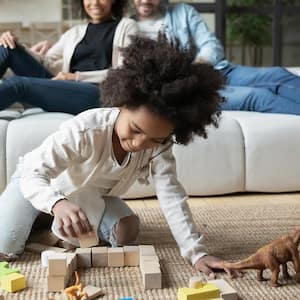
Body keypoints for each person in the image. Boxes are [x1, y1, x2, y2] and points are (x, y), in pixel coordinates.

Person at [0, 34, 241, 279]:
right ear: (122, 103)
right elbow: (34, 173)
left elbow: (172, 197)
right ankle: (41, 217)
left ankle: (48, 226)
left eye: (154, 139)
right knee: (5, 249)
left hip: (89, 195)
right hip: (37, 183)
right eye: (135, 129)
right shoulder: (86, 128)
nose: (139, 143)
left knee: (127, 233)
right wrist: (57, 203)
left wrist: (196, 252)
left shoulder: (160, 146)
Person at [133, 0, 300, 115]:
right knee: (258, 95)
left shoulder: (183, 12)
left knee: (278, 75)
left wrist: (198, 66)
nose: (146, 0)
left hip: (218, 71)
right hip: (190, 91)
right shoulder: (125, 29)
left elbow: (211, 45)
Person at [0, 0, 138, 114]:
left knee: (18, 84)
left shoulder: (127, 26)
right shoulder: (75, 32)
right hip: (64, 87)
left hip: (98, 92)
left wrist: (76, 77)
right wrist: (18, 45)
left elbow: (125, 71)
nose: (95, 2)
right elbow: (46, 61)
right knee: (7, 47)